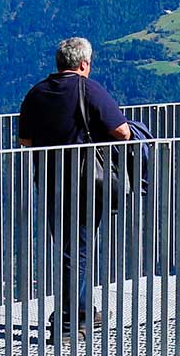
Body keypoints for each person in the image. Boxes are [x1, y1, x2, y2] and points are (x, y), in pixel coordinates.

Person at [17, 36, 132, 333]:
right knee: (79, 246)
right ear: (84, 64)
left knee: (67, 245)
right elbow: (122, 131)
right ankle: (70, 319)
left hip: (49, 179)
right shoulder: (88, 89)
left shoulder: (36, 93)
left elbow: (25, 141)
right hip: (84, 183)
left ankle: (79, 308)